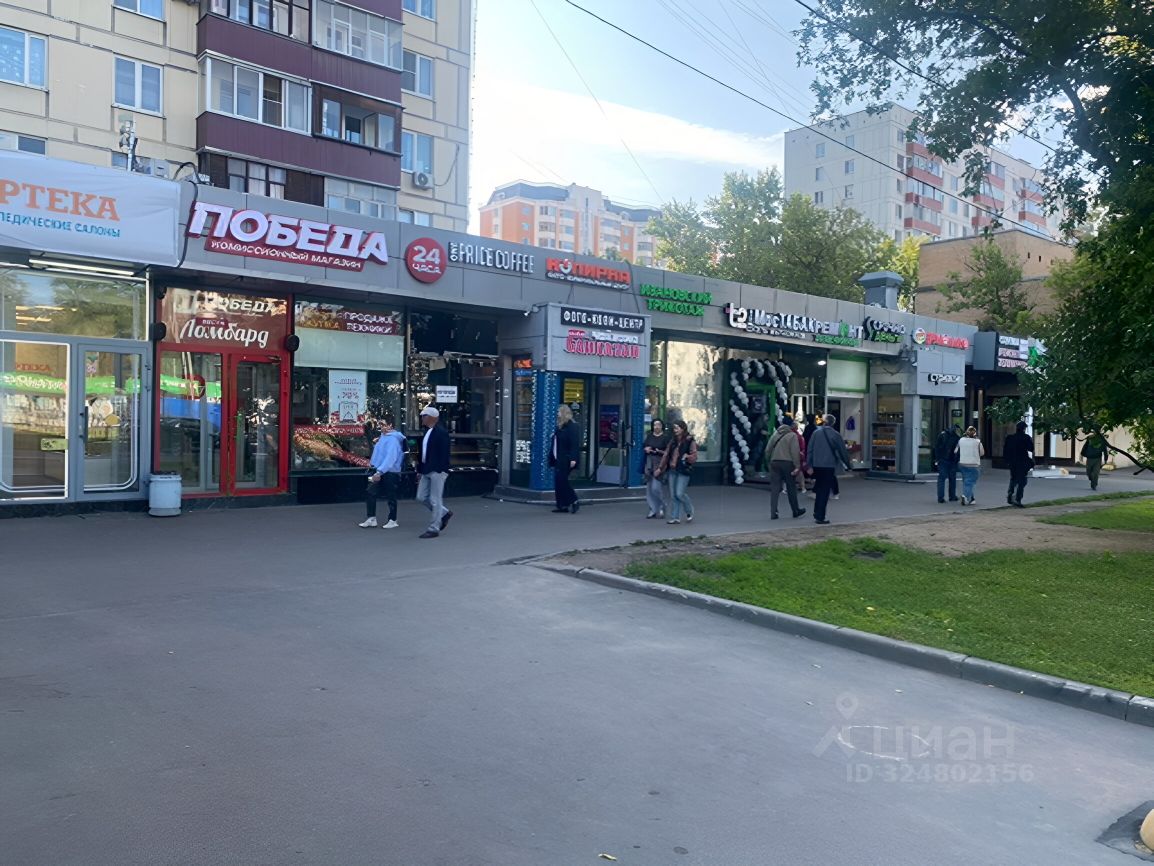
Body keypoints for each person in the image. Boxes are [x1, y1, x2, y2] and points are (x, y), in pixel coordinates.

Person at [359, 415, 406, 529]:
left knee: (390, 495)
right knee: (370, 492)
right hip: (378, 469)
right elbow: (378, 454)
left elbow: (390, 458)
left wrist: (379, 471)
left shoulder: (393, 440)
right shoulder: (383, 437)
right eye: (380, 424)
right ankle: (371, 518)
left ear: (390, 425)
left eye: (383, 424)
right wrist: (374, 467)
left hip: (390, 471)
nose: (381, 427)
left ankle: (392, 519)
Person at [807, 413, 852, 525]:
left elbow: (810, 449)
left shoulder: (816, 433)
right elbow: (842, 451)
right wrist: (848, 465)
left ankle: (816, 512)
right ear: (833, 423)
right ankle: (820, 516)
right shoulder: (835, 435)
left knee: (819, 488)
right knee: (824, 491)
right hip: (829, 465)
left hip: (817, 464)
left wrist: (809, 465)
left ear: (824, 422)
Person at [416, 406, 453, 539]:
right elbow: (423, 453)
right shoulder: (427, 431)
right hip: (427, 469)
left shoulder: (441, 432)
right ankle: (444, 513)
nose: (422, 418)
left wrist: (441, 469)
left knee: (435, 499)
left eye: (424, 416)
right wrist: (420, 470)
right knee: (421, 497)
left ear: (432, 418)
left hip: (436, 470)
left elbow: (444, 452)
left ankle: (434, 528)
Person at [766, 416, 806, 520]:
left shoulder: (775, 434)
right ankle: (795, 510)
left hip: (774, 462)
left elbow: (768, 449)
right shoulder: (792, 435)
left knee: (775, 488)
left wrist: (769, 461)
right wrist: (797, 466)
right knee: (791, 487)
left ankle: (773, 512)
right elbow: (794, 451)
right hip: (787, 463)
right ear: (791, 424)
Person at [657, 420, 697, 524]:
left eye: (677, 428)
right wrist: (660, 468)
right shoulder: (672, 441)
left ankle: (689, 510)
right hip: (672, 469)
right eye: (674, 428)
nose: (675, 430)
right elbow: (666, 455)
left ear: (683, 428)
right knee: (673, 495)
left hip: (683, 469)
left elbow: (694, 455)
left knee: (679, 493)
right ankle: (675, 517)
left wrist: (688, 457)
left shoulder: (689, 440)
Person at [549, 404, 582, 514]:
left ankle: (573, 500)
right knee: (558, 481)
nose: (557, 414)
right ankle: (562, 505)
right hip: (558, 458)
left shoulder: (572, 426)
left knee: (562, 480)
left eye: (559, 411)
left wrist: (573, 458)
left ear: (564, 413)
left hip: (566, 458)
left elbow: (574, 444)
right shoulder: (560, 426)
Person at [641, 418, 670, 519]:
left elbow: (668, 452)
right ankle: (653, 509)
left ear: (662, 426)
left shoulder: (665, 437)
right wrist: (647, 449)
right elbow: (644, 446)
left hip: (660, 463)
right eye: (655, 425)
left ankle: (662, 505)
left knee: (656, 488)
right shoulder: (649, 436)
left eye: (659, 425)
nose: (656, 427)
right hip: (649, 463)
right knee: (649, 488)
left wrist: (659, 451)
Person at [1003, 420, 1035, 507]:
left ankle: (1010, 494)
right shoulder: (1026, 438)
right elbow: (1031, 448)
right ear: (1024, 429)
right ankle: (1017, 499)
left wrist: (1007, 461)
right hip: (1022, 462)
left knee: (1013, 478)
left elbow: (1005, 450)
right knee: (1022, 481)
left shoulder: (1010, 438)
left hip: (1012, 462)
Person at [955, 426, 985, 506]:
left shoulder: (961, 440)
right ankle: (965, 496)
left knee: (966, 481)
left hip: (962, 463)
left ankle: (971, 498)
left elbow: (956, 451)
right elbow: (982, 453)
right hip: (974, 464)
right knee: (970, 482)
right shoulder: (977, 442)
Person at [934, 424, 961, 503]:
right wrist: (957, 459)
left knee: (941, 479)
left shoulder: (942, 435)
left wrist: (937, 459)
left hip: (942, 460)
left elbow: (937, 447)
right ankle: (952, 496)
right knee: (952, 479)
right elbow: (958, 451)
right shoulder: (957, 438)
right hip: (952, 461)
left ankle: (940, 498)